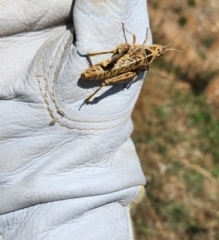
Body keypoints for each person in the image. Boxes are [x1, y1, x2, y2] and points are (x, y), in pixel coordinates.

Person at [0, 0, 150, 239]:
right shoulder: (138, 49)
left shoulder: (141, 58)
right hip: (101, 64)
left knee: (123, 72)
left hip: (105, 73)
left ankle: (91, 93)